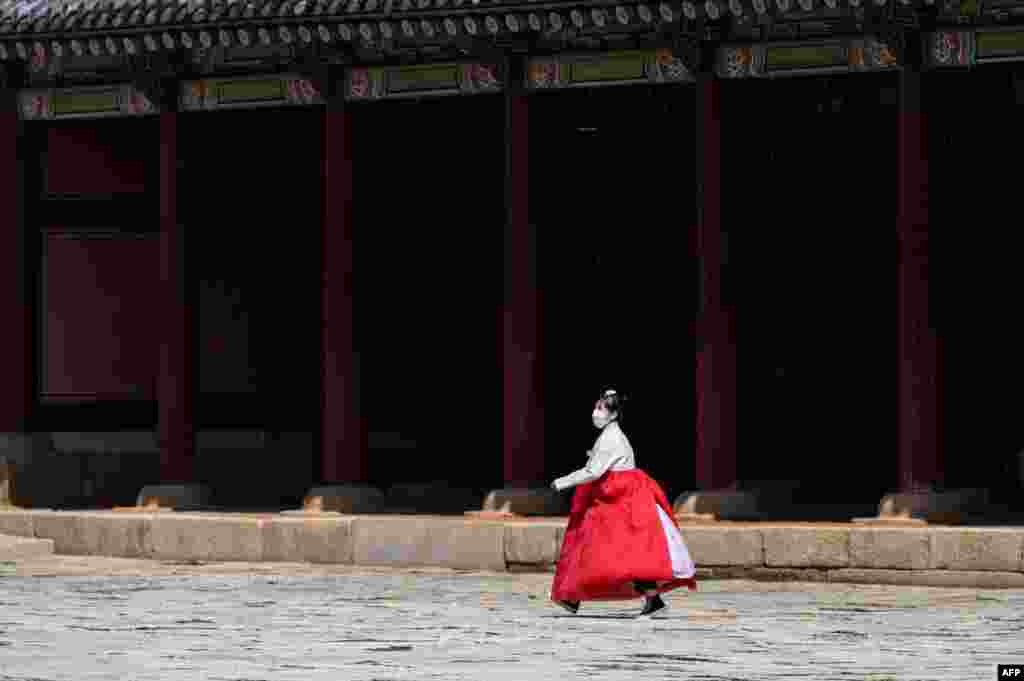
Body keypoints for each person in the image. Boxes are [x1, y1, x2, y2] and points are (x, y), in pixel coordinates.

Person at [549, 389, 697, 618]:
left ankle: (575, 596)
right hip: (618, 499)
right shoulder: (611, 436)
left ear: (613, 413)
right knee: (614, 551)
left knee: (611, 550)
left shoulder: (611, 439)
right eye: (596, 407)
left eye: (601, 408)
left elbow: (593, 471)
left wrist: (561, 482)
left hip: (618, 502)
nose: (596, 413)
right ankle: (576, 596)